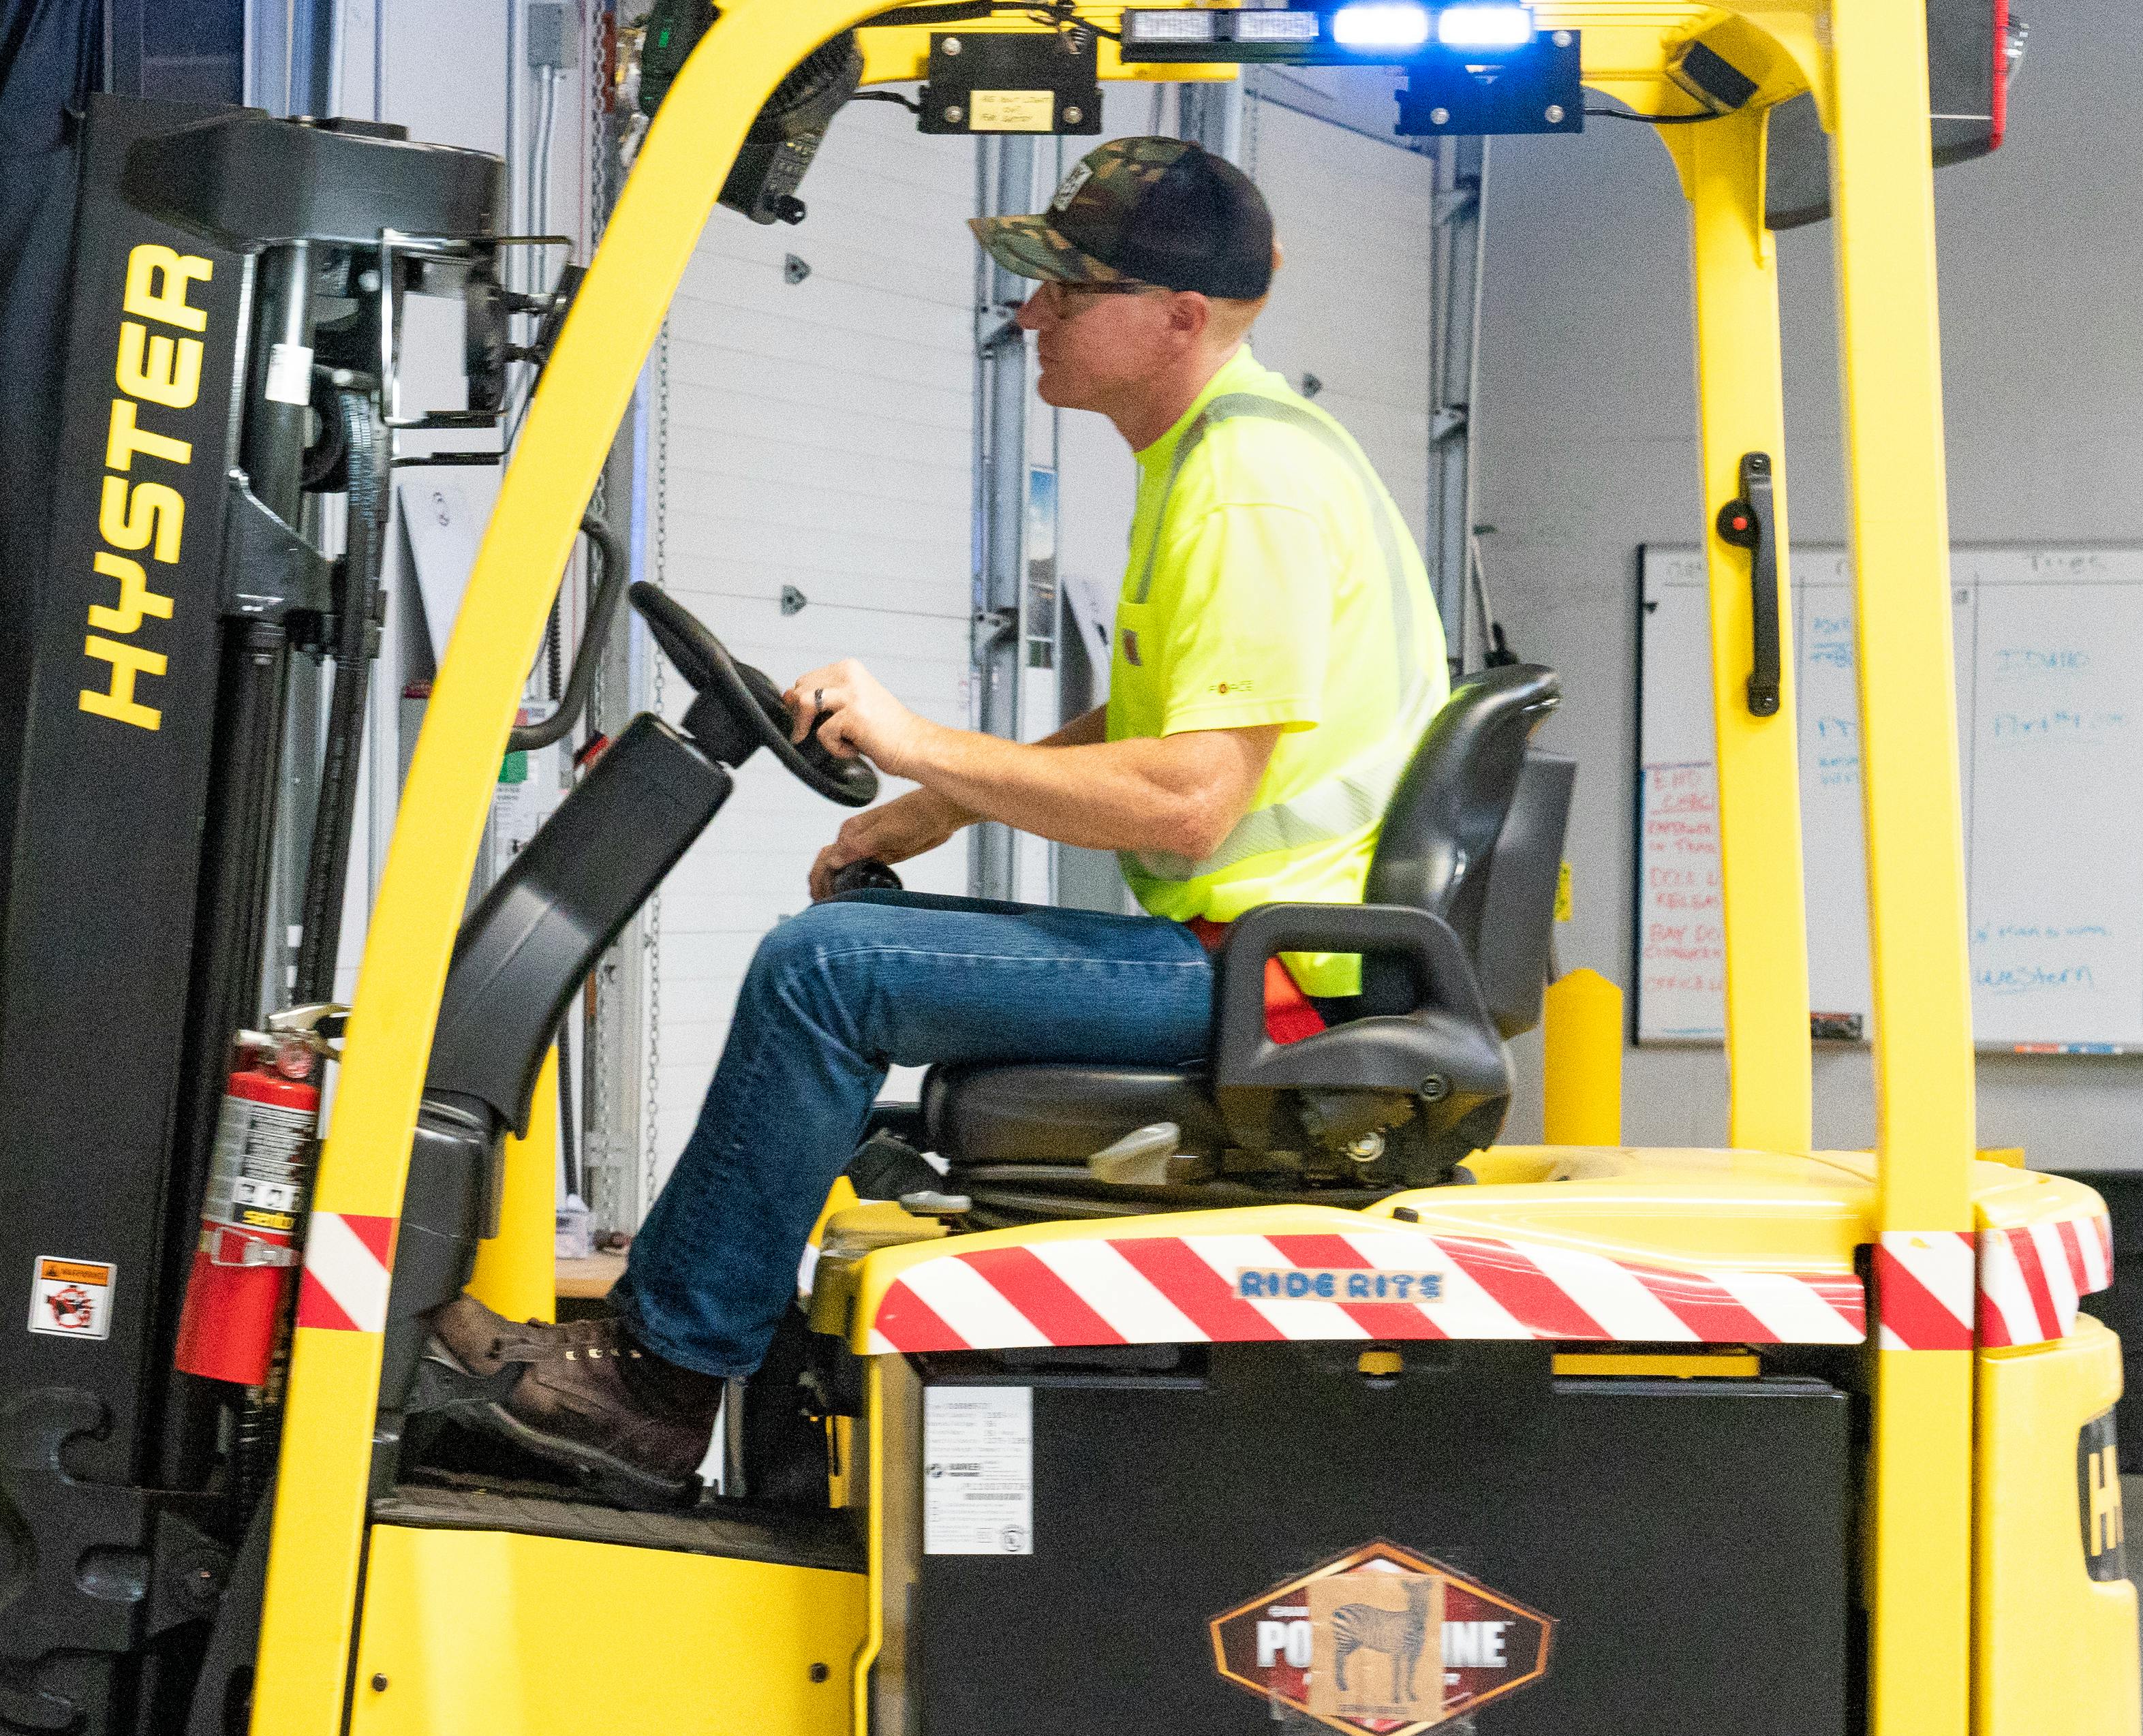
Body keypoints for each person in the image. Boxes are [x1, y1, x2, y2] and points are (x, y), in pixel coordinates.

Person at [459, 134, 1450, 1499]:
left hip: (1271, 983)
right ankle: (687, 1353)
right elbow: (1164, 717)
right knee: (852, 948)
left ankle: (659, 1381)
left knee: (824, 973)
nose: (1027, 311)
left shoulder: (1245, 485)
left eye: (1064, 287)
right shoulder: (1224, 454)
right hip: (1268, 962)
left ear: (1173, 317)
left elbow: (1189, 797)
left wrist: (919, 736)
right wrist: (925, 805)